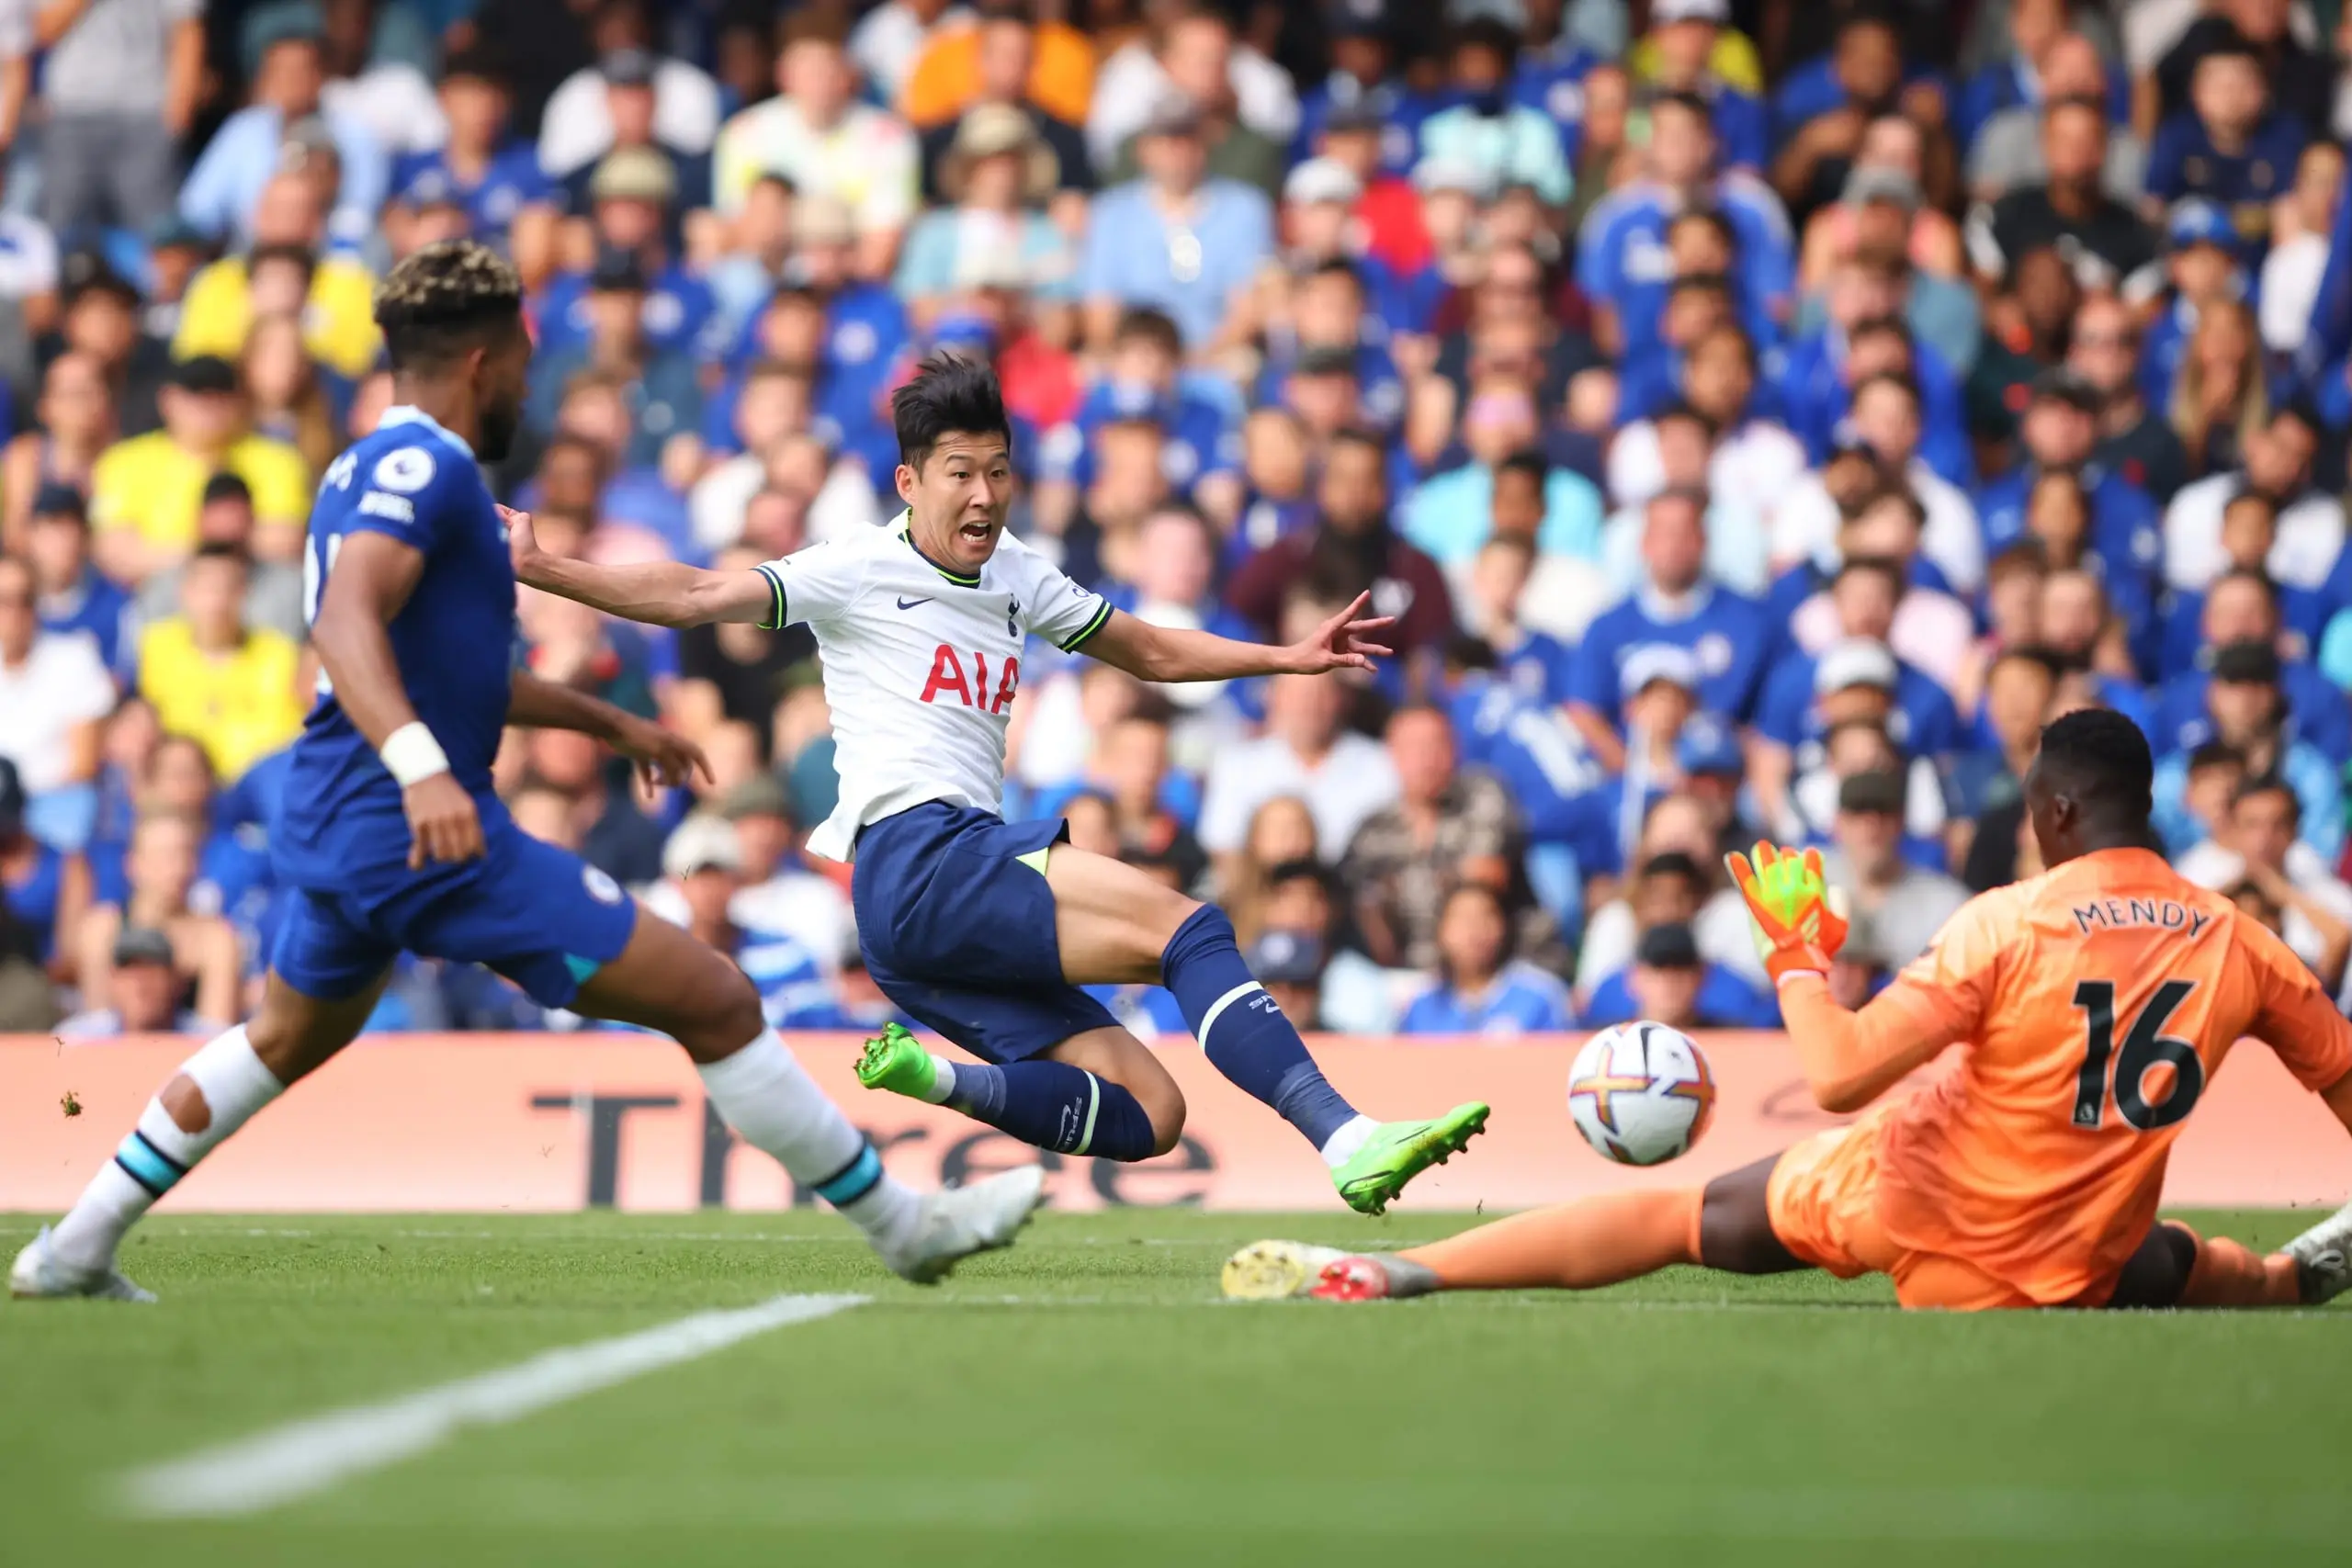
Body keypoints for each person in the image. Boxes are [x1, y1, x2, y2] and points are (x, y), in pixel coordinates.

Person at [13, 242, 1041, 1303]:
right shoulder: (428, 472)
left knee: (280, 1037)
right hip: (412, 826)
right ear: (481, 361)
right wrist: (421, 769)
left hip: (340, 815)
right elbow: (344, 620)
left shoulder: (367, 464)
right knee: (716, 998)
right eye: (518, 358)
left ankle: (74, 1247)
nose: (526, 380)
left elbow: (452, 670)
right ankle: (904, 1228)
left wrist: (609, 721)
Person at [509, 352, 1487, 1212]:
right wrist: (547, 568)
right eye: (960, 473)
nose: (984, 495)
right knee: (1189, 932)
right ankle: (1346, 1136)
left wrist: (1285, 657)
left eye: (999, 471)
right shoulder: (856, 565)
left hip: (917, 926)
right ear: (909, 481)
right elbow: (692, 593)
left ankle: (935, 1079)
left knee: (1151, 1112)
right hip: (923, 855)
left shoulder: (1019, 572)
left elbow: (1149, 649)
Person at [1226, 709, 2352, 1313]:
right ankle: (2287, 1277)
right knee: (2175, 1265)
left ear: (2053, 812)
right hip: (2076, 1258)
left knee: (1685, 1220)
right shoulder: (2239, 942)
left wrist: (1796, 956)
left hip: (1916, 1205)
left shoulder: (2010, 924)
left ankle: (1411, 1271)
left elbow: (1840, 1073)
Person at [1396, 881, 1573, 1036]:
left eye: (1486, 916)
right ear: (1441, 932)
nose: (1475, 930)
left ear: (1503, 927)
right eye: (1463, 919)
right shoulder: (1421, 1006)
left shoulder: (1541, 995)